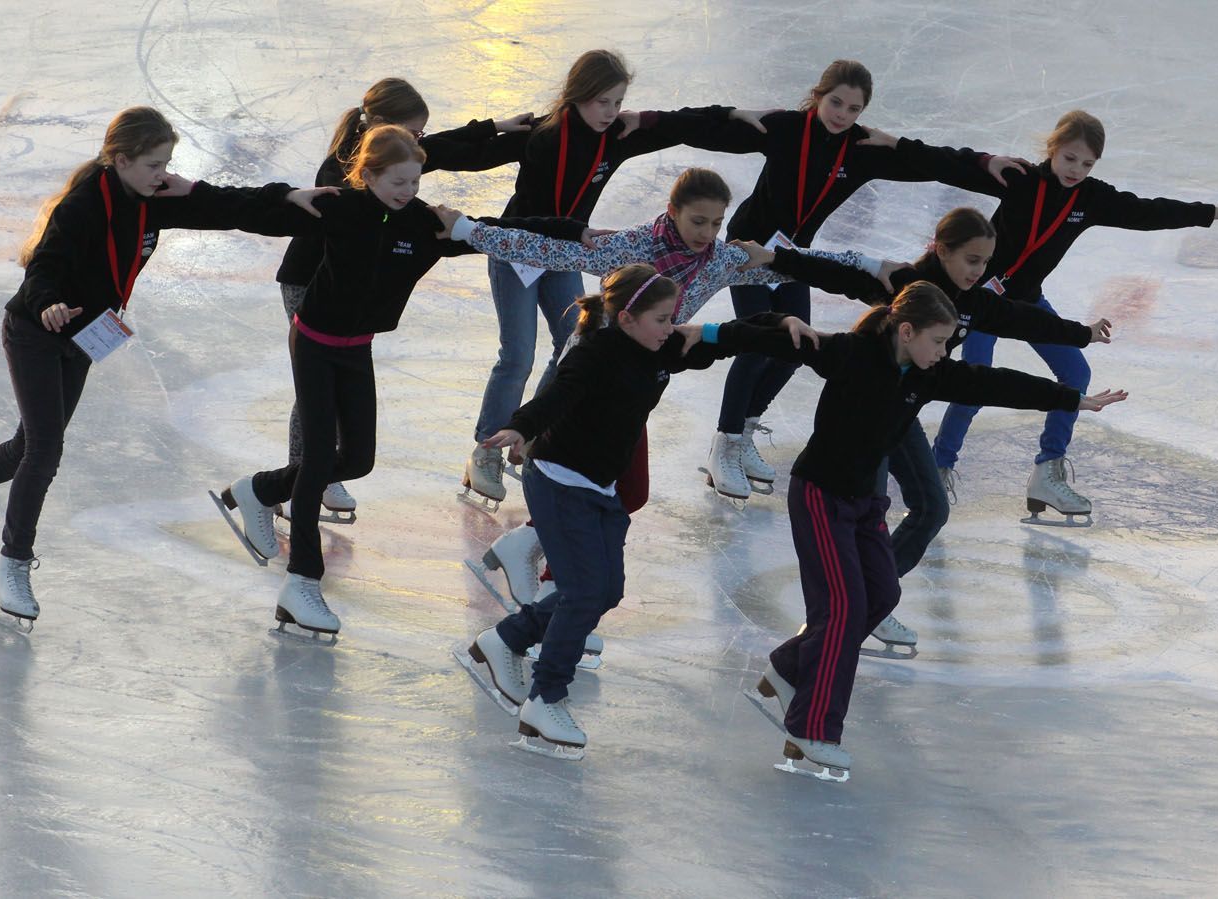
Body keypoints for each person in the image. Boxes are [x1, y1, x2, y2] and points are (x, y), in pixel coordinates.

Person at [0, 106, 330, 625]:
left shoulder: (148, 198)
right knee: (43, 451)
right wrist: (46, 302)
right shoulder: (83, 206)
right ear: (122, 159)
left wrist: (288, 198)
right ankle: (11, 568)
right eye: (155, 165)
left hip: (85, 337)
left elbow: (224, 206)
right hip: (37, 332)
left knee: (28, 446)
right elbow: (43, 265)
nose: (164, 174)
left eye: (167, 163)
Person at [706, 282, 1127, 778]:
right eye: (938, 342)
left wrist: (1069, 399)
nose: (943, 353)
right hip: (820, 496)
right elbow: (772, 338)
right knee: (843, 610)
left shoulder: (928, 373)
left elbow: (993, 382)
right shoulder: (851, 353)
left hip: (865, 504)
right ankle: (810, 730)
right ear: (907, 331)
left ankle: (790, 666)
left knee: (880, 594)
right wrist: (762, 323)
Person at [216, 126, 596, 638]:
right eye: (397, 181)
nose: (408, 191)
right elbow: (254, 213)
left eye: (415, 181)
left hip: (357, 349)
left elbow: (502, 228)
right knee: (316, 464)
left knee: (359, 459)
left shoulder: (423, 224)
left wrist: (573, 231)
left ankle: (258, 489)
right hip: (312, 341)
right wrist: (282, 196)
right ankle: (302, 581)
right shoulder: (339, 207)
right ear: (367, 174)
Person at [458, 264, 817, 757]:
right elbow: (557, 395)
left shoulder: (661, 347)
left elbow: (722, 337)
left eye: (673, 318)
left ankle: (508, 639)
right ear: (626, 318)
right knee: (583, 592)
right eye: (663, 318)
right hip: (559, 481)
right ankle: (546, 697)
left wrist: (779, 325)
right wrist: (521, 427)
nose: (672, 327)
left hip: (599, 486)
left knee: (606, 591)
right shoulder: (595, 354)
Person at [742, 206, 1111, 646]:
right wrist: (775, 259)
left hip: (903, 414)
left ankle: (871, 604)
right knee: (869, 510)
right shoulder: (907, 284)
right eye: (972, 260)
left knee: (932, 508)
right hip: (863, 422)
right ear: (943, 250)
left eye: (986, 263)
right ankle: (846, 615)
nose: (979, 271)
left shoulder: (973, 301)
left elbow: (1022, 320)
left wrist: (1082, 335)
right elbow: (840, 276)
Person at [874, 109, 1218, 522]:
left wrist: (1214, 213)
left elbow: (1148, 212)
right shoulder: (1020, 179)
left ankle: (1047, 472)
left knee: (1075, 375)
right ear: (1053, 149)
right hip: (979, 300)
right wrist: (895, 145)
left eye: (1088, 163)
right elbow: (949, 166)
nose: (1077, 170)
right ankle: (937, 466)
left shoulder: (1090, 198)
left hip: (1028, 302)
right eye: (1070, 158)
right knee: (973, 379)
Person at [687, 59, 1028, 500]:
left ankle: (746, 431)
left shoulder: (860, 149)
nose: (842, 115)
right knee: (755, 346)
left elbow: (927, 161)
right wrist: (729, 112)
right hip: (750, 250)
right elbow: (701, 129)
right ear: (818, 95)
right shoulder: (787, 128)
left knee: (794, 350)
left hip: (795, 257)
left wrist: (985, 163)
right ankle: (725, 444)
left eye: (853, 108)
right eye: (835, 102)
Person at [462, 48, 771, 507]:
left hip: (572, 253)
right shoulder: (542, 136)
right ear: (576, 97)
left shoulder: (618, 136)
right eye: (600, 102)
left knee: (572, 341)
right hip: (521, 252)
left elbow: (677, 124)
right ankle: (486, 450)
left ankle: (535, 430)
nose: (609, 112)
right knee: (518, 353)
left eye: (616, 101)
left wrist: (729, 114)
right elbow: (467, 154)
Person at [274, 77, 536, 520]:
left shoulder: (389, 161)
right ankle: (306, 473)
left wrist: (492, 127)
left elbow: (442, 150)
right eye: (412, 134)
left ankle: (315, 471)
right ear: (381, 127)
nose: (418, 143)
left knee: (327, 387)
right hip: (311, 282)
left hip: (349, 290)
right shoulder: (345, 169)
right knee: (316, 389)